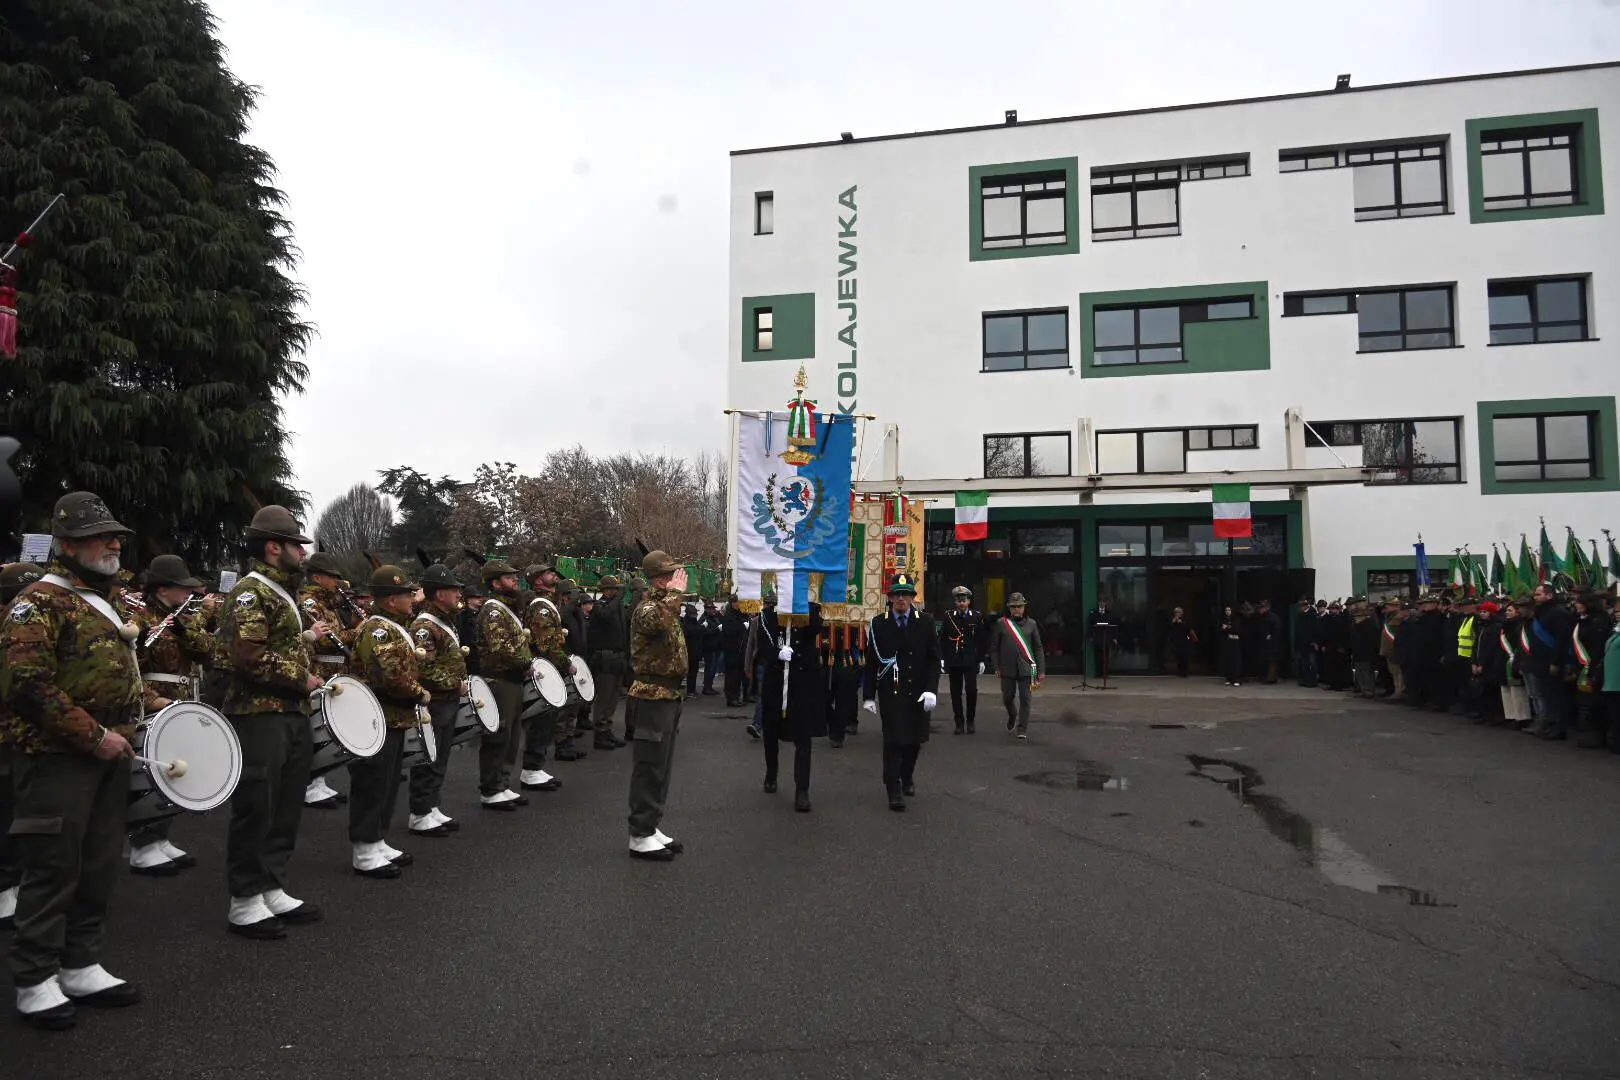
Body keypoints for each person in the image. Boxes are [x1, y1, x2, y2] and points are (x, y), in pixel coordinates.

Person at [1, 494, 146, 1028]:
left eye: (114, 535)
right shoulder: (36, 602)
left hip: (109, 750)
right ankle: (34, 978)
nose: (113, 543)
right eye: (98, 535)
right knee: (52, 866)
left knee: (100, 861)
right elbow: (25, 686)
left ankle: (80, 962)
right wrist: (94, 735)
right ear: (65, 545)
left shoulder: (102, 599)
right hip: (55, 757)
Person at [219, 505, 326, 941]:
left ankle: (271, 884)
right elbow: (248, 657)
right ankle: (244, 899)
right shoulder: (251, 592)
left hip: (289, 711)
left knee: (285, 805)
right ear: (272, 547)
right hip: (259, 714)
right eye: (296, 545)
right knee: (257, 807)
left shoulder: (284, 593)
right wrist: (302, 677)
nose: (303, 553)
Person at [128, 554, 217, 876]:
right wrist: (150, 700)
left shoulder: (182, 617)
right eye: (183, 588)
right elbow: (126, 666)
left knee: (176, 771)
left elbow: (210, 652)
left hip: (183, 699)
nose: (190, 595)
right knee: (150, 773)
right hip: (154, 701)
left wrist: (183, 631)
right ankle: (141, 844)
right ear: (164, 589)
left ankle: (160, 837)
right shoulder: (136, 617)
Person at [346, 566, 430, 879]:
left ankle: (377, 839)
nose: (413, 598)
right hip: (376, 717)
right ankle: (364, 849)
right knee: (371, 783)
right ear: (391, 600)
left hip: (392, 718)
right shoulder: (377, 630)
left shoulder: (392, 625)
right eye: (407, 594)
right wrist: (420, 693)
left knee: (388, 782)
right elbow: (389, 676)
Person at [626, 551, 689, 861]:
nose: (677, 579)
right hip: (652, 695)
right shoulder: (648, 607)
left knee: (662, 766)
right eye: (671, 575)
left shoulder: (666, 605)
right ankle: (639, 832)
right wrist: (675, 594)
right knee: (649, 765)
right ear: (660, 579)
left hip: (669, 694)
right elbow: (659, 622)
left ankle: (651, 825)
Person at [862, 574, 940, 812]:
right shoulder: (879, 623)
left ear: (912, 598)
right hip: (892, 691)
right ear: (890, 598)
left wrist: (931, 690)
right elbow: (872, 661)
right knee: (893, 741)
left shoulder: (925, 621)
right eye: (897, 594)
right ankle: (893, 788)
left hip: (918, 691)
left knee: (914, 742)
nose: (901, 599)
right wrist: (868, 695)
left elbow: (933, 659)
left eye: (906, 594)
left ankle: (907, 776)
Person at [406, 563, 467, 837]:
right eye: (454, 590)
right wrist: (455, 683)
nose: (458, 595)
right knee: (428, 755)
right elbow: (425, 669)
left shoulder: (443, 619)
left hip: (448, 698)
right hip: (436, 700)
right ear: (439, 593)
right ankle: (419, 813)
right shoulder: (423, 626)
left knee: (440, 755)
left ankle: (432, 806)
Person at [0, 563, 44, 935]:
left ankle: (13, 885)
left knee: (17, 810)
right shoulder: (17, 624)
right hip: (8, 733)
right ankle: (4, 889)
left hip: (18, 733)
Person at [297, 552, 358, 809]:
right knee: (317, 728)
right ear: (318, 577)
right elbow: (325, 638)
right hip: (321, 668)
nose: (337, 581)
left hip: (335, 670)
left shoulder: (329, 601)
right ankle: (309, 785)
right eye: (332, 577)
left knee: (327, 728)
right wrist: (358, 631)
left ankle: (319, 781)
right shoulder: (310, 602)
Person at [477, 559, 539, 809]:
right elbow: (500, 648)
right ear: (495, 583)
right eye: (508, 577)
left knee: (512, 736)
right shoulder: (493, 610)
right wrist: (526, 664)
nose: (515, 580)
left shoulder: (506, 609)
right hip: (500, 679)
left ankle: (502, 783)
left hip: (512, 678)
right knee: (499, 735)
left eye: (514, 576)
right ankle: (491, 788)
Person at [756, 603, 827, 812]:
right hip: (777, 682)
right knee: (771, 733)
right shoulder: (768, 615)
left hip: (803, 682)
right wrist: (777, 653)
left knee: (803, 737)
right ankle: (771, 772)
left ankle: (802, 790)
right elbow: (763, 645)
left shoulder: (810, 610)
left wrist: (807, 609)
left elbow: (815, 628)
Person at [523, 563, 579, 769]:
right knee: (541, 721)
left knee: (546, 721)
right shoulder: (541, 607)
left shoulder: (548, 604)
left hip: (549, 668)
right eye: (548, 573)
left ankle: (536, 767)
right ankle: (532, 769)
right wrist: (566, 664)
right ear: (538, 580)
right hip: (544, 670)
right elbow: (546, 645)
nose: (553, 574)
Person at [989, 593, 1044, 739]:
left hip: (1027, 668)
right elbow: (994, 648)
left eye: (1019, 606)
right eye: (1013, 607)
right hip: (1007, 669)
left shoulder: (1032, 624)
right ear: (1009, 609)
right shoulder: (1002, 623)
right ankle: (1012, 714)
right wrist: (996, 667)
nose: (1016, 610)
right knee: (1007, 697)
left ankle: (1022, 729)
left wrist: (1041, 670)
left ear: (1024, 607)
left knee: (1025, 698)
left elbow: (1038, 647)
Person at [1523, 583, 1574, 740]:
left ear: (1549, 595)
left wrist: (1556, 661)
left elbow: (1561, 639)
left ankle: (1559, 727)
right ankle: (1549, 724)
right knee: (1547, 694)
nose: (1535, 597)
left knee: (1556, 695)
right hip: (1540, 661)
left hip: (1551, 661)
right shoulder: (1541, 612)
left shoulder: (1558, 612)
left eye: (1538, 594)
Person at [586, 575, 630, 750]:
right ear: (605, 590)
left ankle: (607, 729)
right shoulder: (599, 606)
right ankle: (600, 732)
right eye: (613, 589)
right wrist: (618, 597)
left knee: (613, 696)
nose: (616, 592)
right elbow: (605, 615)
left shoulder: (617, 607)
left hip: (617, 656)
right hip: (604, 657)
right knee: (604, 697)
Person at [939, 586, 987, 734]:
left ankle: (970, 721)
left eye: (964, 600)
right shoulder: (949, 616)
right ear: (955, 602)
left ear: (969, 601)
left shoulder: (976, 616)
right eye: (959, 601)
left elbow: (982, 639)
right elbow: (942, 639)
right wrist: (941, 658)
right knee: (955, 692)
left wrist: (981, 660)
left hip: (970, 659)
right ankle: (959, 723)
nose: (961, 603)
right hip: (954, 659)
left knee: (971, 690)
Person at [1571, 593, 1612, 749]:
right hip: (1583, 665)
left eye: (1579, 602)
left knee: (1595, 703)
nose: (1575, 605)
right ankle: (1593, 734)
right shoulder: (1583, 620)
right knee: (1586, 702)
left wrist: (1593, 669)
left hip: (1594, 666)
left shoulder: (1598, 621)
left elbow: (1597, 647)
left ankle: (1600, 736)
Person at [718, 595, 748, 707]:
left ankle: (736, 696)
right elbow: (729, 631)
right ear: (733, 603)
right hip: (731, 650)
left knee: (738, 675)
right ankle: (731, 698)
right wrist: (742, 626)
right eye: (737, 602)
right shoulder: (729, 616)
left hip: (739, 650)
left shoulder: (740, 615)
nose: (739, 604)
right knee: (732, 676)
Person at [1165, 607, 1194, 678]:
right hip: (1176, 641)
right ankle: (1179, 672)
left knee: (1185, 656)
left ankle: (1185, 672)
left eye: (1179, 612)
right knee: (1178, 657)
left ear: (1182, 613)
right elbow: (1167, 628)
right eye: (1176, 612)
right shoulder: (1172, 620)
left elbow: (1189, 628)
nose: (1177, 614)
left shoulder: (1185, 620)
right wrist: (1173, 622)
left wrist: (1182, 623)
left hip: (1184, 641)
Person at [1218, 605, 1243, 686]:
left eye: (1229, 610)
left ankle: (1237, 679)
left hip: (1235, 642)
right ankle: (1229, 678)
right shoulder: (1224, 620)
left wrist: (1228, 628)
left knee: (1236, 660)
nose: (1227, 612)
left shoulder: (1237, 620)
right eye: (1226, 610)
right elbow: (1221, 631)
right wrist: (1224, 628)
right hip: (1228, 642)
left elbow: (1237, 630)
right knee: (1228, 660)